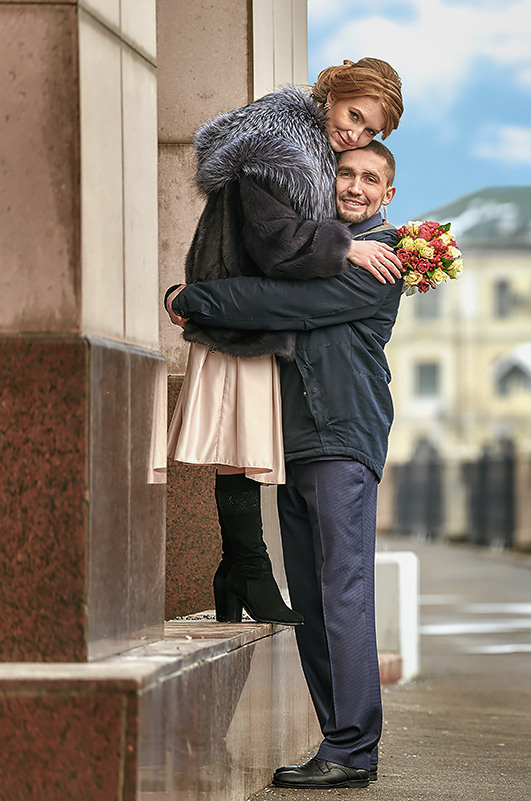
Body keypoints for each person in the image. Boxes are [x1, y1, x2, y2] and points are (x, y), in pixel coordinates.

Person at [165, 140, 407, 790]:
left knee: (343, 590)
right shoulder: (324, 247)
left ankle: (355, 745)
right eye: (346, 174)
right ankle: (339, 741)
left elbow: (276, 303)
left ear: (389, 194)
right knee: (312, 594)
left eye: (370, 179)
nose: (355, 186)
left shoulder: (380, 260)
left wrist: (196, 297)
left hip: (342, 437)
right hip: (300, 439)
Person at [167, 58, 406, 627]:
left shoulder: (319, 152)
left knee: (243, 446)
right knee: (239, 446)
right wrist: (347, 248)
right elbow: (275, 245)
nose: (355, 133)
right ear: (334, 94)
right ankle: (246, 569)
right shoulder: (280, 146)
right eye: (353, 116)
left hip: (257, 317)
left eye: (369, 130)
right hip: (242, 315)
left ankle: (238, 571)